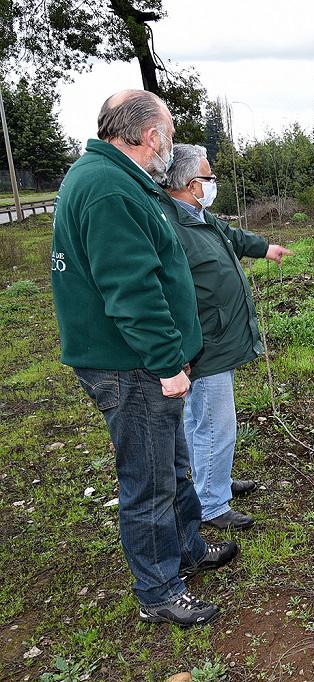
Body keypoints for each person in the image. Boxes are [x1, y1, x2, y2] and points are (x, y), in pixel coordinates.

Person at [50, 90, 237, 627]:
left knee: (172, 464)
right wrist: (166, 363)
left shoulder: (114, 178)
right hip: (130, 365)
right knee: (149, 479)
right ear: (151, 136)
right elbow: (131, 290)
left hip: (139, 360)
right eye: (170, 135)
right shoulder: (108, 188)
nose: (172, 146)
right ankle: (159, 590)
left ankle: (187, 548)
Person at [159, 144, 292, 531]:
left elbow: (231, 236)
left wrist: (265, 249)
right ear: (190, 184)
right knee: (216, 424)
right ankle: (212, 504)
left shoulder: (197, 215)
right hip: (205, 344)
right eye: (209, 177)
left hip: (217, 338)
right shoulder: (169, 225)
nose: (213, 183)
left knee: (201, 419)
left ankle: (210, 480)